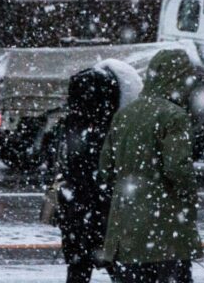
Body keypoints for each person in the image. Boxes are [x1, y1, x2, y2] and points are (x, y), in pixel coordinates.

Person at [99, 49, 203, 283]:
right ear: (178, 79)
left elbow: (105, 170)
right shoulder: (174, 116)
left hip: (124, 228)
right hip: (164, 232)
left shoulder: (124, 115)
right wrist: (189, 198)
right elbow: (177, 168)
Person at [58, 67, 122, 283]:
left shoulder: (69, 124)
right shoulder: (109, 129)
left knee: (78, 270)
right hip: (103, 212)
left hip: (75, 212)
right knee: (119, 269)